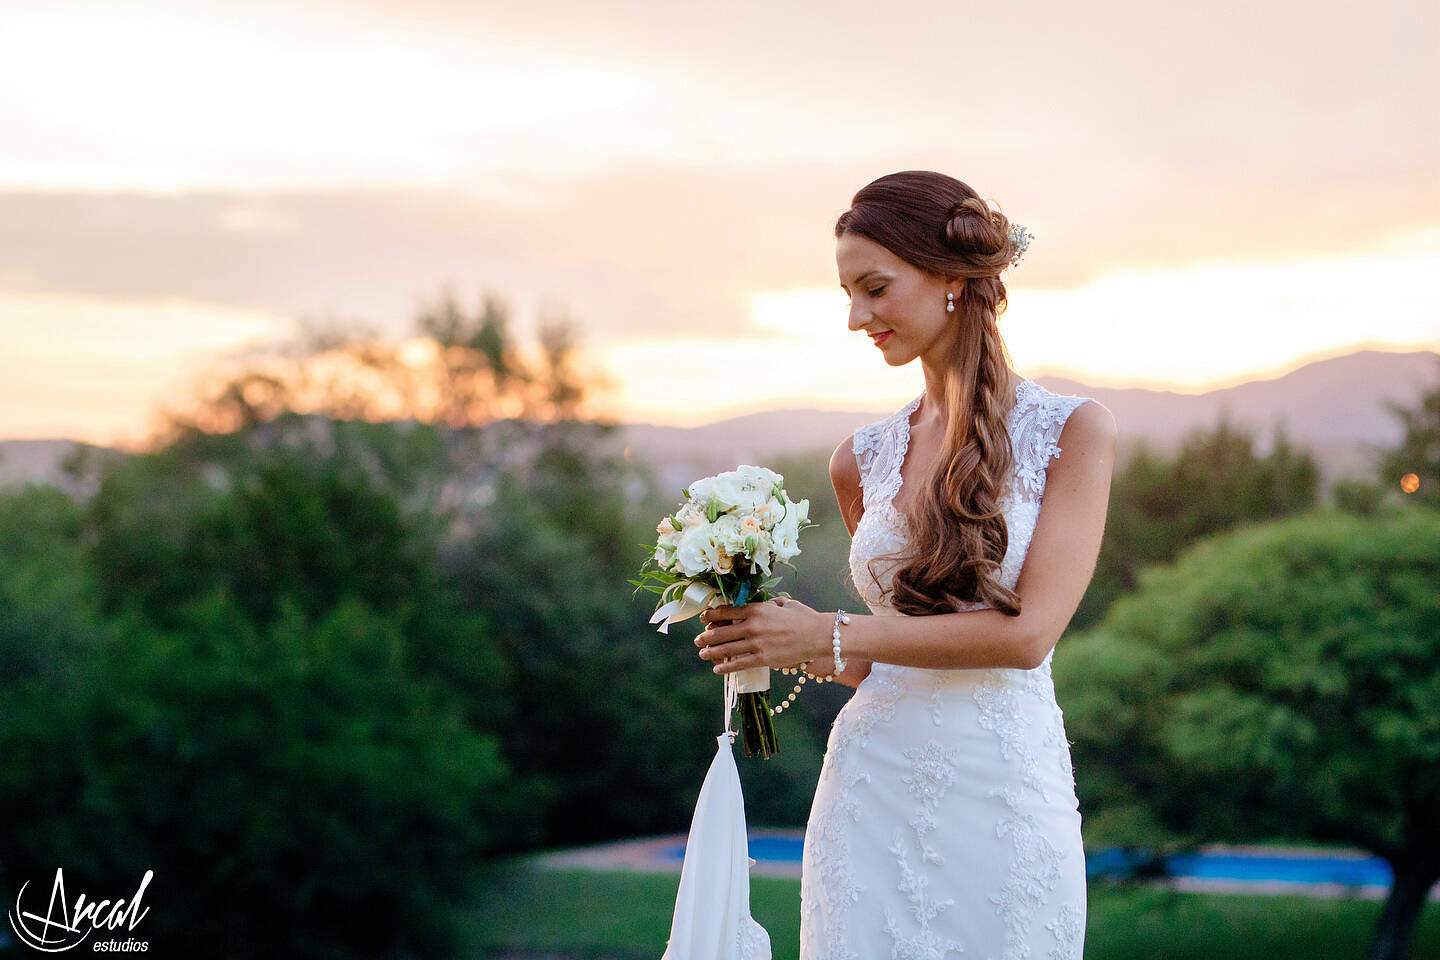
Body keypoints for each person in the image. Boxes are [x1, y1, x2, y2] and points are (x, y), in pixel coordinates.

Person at [694, 170, 1117, 959]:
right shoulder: (862, 459)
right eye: (847, 294)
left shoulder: (1071, 433)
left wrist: (832, 631)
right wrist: (780, 640)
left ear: (952, 278)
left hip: (1006, 796)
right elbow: (883, 659)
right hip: (871, 790)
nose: (857, 317)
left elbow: (1026, 638)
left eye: (875, 288)